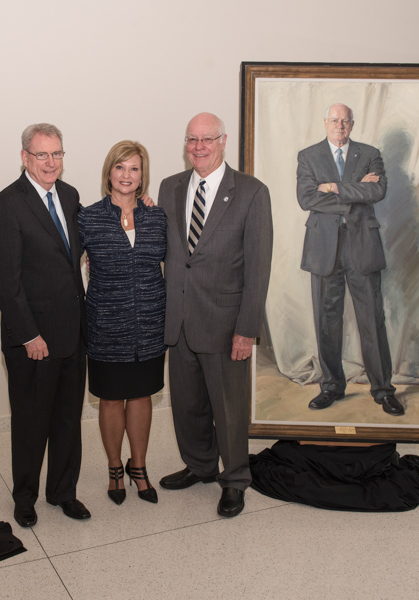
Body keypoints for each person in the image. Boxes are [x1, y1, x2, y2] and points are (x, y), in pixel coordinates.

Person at [158, 112, 273, 518]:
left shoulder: (251, 192)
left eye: (207, 139)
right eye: (192, 139)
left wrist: (247, 330)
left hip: (225, 325)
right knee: (187, 405)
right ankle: (200, 465)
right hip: (180, 321)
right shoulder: (170, 187)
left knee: (228, 408)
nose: (199, 146)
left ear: (224, 141)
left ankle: (235, 479)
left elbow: (258, 269)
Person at [0, 123, 91, 528]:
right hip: (33, 340)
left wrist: (139, 207)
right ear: (25, 157)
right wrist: (29, 334)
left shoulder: (70, 195)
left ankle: (63, 491)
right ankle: (24, 497)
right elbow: (4, 281)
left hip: (71, 334)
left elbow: (84, 247)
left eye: (57, 154)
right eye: (43, 155)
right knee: (31, 423)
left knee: (67, 418)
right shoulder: (7, 204)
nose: (51, 162)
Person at [296, 103, 403, 416]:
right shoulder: (308, 155)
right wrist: (354, 192)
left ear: (352, 124)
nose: (339, 125)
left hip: (362, 248)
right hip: (323, 249)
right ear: (324, 122)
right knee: (326, 323)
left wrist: (331, 188)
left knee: (373, 321)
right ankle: (331, 387)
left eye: (345, 121)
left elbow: (377, 192)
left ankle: (383, 390)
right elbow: (306, 198)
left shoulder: (370, 153)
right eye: (334, 120)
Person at [78, 141, 166, 505]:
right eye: (120, 167)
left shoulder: (157, 216)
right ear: (109, 172)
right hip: (105, 327)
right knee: (111, 399)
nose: (127, 175)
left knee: (142, 396)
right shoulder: (87, 217)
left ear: (143, 175)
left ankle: (139, 466)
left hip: (149, 325)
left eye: (134, 168)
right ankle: (115, 467)